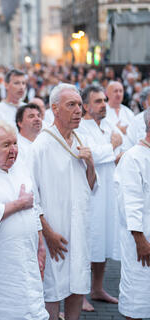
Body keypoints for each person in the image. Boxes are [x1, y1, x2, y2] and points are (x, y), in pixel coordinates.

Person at [29, 83, 97, 320]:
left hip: (78, 227)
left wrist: (90, 163)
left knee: (78, 282)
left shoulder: (82, 137)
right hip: (54, 232)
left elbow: (90, 186)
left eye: (79, 105)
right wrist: (47, 232)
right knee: (52, 289)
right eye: (72, 105)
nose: (79, 110)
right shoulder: (41, 146)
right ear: (55, 109)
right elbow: (32, 197)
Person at [0, 121, 48, 320]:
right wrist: (18, 204)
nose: (13, 149)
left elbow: (35, 205)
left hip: (27, 256)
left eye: (15, 143)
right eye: (6, 145)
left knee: (31, 308)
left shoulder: (20, 166)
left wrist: (40, 243)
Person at [78, 85, 122, 311]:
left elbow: (118, 141)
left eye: (104, 100)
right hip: (91, 190)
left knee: (103, 239)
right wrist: (110, 148)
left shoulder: (107, 125)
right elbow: (88, 153)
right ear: (86, 106)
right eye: (97, 101)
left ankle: (97, 288)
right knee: (89, 240)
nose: (103, 105)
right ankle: (81, 293)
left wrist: (110, 149)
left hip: (108, 192)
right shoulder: (80, 128)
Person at [115, 108, 150, 320]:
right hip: (141, 240)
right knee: (137, 296)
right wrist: (139, 239)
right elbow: (130, 202)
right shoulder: (133, 157)